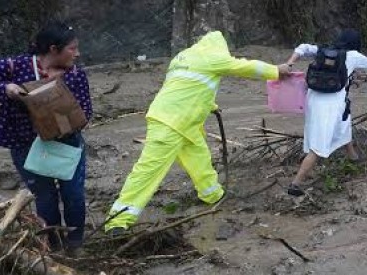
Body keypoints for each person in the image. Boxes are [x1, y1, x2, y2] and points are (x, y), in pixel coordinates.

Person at [105, 31, 291, 233]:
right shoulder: (211, 57)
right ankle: (117, 221)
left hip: (182, 121)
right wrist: (276, 70)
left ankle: (212, 195)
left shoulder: (183, 57)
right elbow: (244, 66)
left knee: (199, 159)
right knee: (148, 171)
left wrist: (210, 105)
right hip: (171, 123)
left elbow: (190, 87)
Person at [0, 21, 91, 254]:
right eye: (72, 49)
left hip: (66, 144)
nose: (77, 54)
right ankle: (52, 247)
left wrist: (64, 120)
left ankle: (75, 245)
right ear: (54, 49)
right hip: (26, 144)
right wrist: (6, 89)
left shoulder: (76, 75)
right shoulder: (13, 67)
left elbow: (86, 111)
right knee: (45, 197)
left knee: (73, 194)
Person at [284, 29, 367, 196]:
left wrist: (289, 64)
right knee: (319, 146)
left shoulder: (323, 50)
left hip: (313, 99)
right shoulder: (353, 56)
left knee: (344, 124)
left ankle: (353, 157)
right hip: (331, 104)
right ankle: (296, 184)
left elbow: (302, 47)